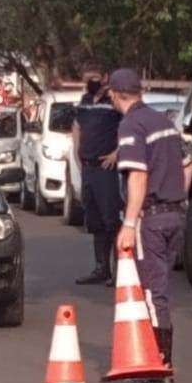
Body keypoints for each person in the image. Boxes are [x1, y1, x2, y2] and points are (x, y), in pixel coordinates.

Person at [111, 67, 192, 383]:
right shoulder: (163, 122)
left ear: (115, 94)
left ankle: (160, 362)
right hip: (175, 215)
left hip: (152, 218)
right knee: (158, 287)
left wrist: (130, 223)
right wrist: (177, 199)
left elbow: (138, 175)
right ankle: (154, 356)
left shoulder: (131, 125)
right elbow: (189, 166)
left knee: (151, 291)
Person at [71, 64, 123, 285]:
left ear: (104, 77)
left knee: (111, 220)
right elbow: (77, 128)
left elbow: (130, 128)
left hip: (107, 170)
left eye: (94, 78)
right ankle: (101, 268)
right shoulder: (84, 102)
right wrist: (77, 154)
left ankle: (120, 270)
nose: (91, 82)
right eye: (87, 78)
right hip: (88, 168)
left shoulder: (114, 102)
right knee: (94, 221)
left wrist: (117, 153)